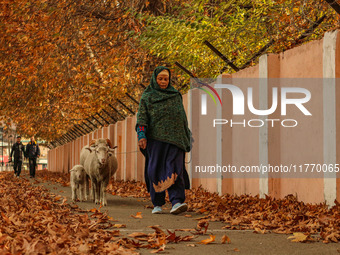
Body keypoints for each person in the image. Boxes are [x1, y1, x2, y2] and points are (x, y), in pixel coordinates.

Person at [136, 66, 192, 215]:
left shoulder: (175, 95)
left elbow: (182, 117)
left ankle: (176, 201)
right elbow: (142, 118)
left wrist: (186, 134)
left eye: (165, 79)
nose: (163, 81)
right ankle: (158, 203)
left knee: (175, 169)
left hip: (175, 139)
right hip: (155, 140)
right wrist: (141, 135)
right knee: (154, 169)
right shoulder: (147, 97)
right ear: (155, 79)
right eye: (160, 78)